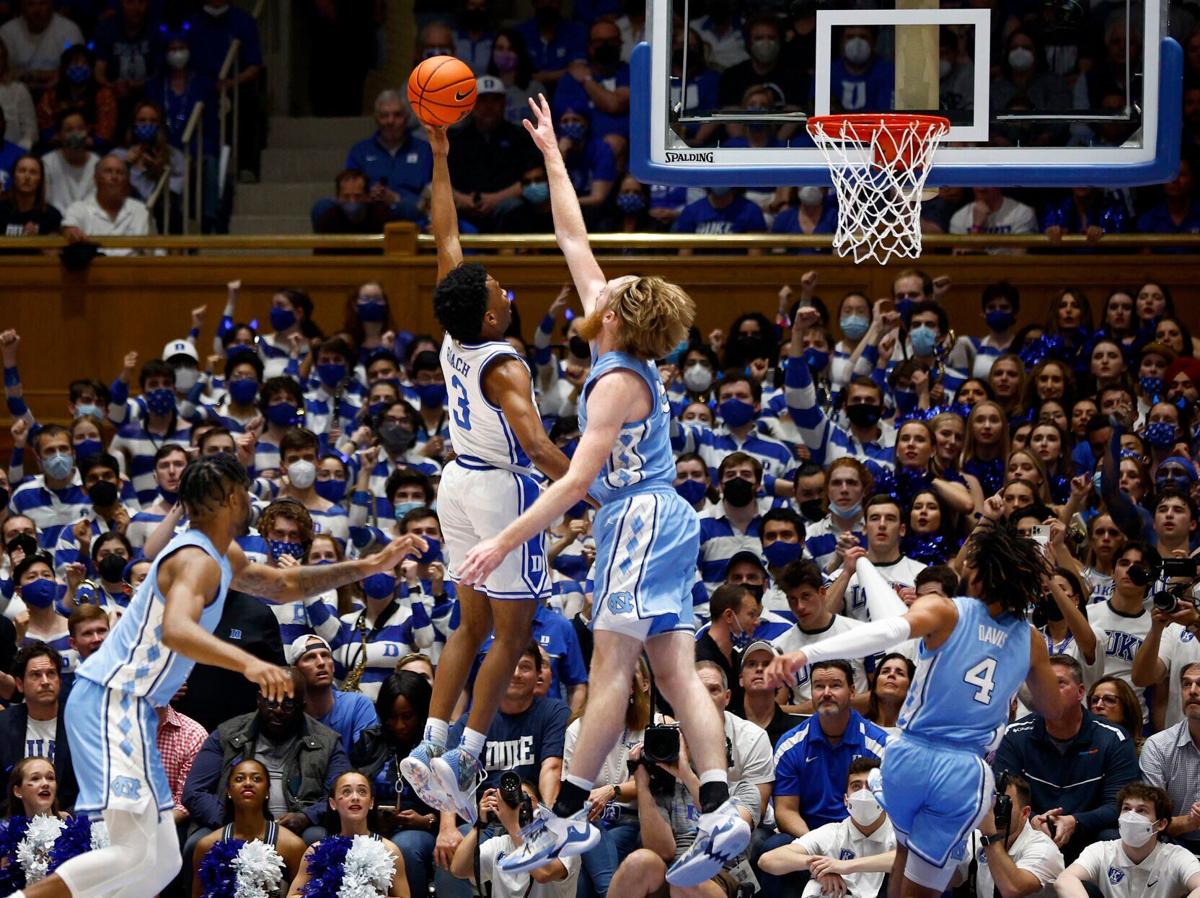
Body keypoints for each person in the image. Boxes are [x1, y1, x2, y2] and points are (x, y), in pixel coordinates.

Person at [455, 94, 750, 887]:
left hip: (641, 516)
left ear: (617, 317)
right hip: (649, 518)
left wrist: (505, 539)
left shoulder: (618, 382)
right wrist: (552, 154)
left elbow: (578, 479)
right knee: (674, 665)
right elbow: (572, 236)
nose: (599, 285)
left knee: (616, 664)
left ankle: (565, 819)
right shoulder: (615, 341)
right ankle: (719, 806)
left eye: (611, 290)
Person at [16, 455, 425, 898]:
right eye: (244, 489)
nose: (250, 497)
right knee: (133, 852)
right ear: (230, 497)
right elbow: (177, 628)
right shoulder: (196, 560)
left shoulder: (216, 550)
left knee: (158, 859)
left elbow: (282, 586)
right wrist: (250, 663)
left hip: (122, 705)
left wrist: (367, 566)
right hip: (109, 703)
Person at [397, 115, 571, 828]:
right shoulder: (504, 365)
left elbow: (444, 235)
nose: (505, 293)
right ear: (489, 312)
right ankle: (468, 756)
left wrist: (439, 156)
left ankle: (431, 742)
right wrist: (588, 483)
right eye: (500, 291)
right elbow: (535, 446)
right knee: (513, 631)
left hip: (454, 485)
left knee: (466, 626)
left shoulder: (452, 326)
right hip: (502, 489)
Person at [767, 515, 1069, 898]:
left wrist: (806, 654)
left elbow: (889, 630)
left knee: (901, 857)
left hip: (906, 759)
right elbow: (1052, 709)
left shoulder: (947, 610)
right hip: (960, 772)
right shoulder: (1029, 641)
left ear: (976, 574)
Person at [993, 655, 1138, 861]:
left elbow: (1121, 805)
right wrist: (1034, 821)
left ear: (1080, 692)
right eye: (1043, 684)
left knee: (1113, 837)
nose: (1049, 691)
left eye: (1059, 683)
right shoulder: (1015, 734)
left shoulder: (1113, 738)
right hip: (1029, 833)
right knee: (995, 829)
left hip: (1090, 838)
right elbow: (1004, 797)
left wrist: (1074, 821)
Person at [759, 758, 896, 898]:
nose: (864, 793)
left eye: (871, 786)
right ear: (846, 799)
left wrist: (846, 866)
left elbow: (907, 860)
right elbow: (767, 860)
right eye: (856, 786)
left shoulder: (899, 833)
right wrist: (821, 867)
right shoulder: (833, 832)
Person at [1053, 783, 1200, 897]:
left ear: (1161, 824)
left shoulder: (1177, 856)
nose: (1131, 816)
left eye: (1141, 810)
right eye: (1126, 809)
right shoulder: (1100, 851)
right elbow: (1065, 879)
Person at [190, 758, 306, 898]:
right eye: (239, 779)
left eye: (256, 779)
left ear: (267, 791)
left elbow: (300, 894)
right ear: (229, 791)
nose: (248, 783)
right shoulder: (207, 845)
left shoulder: (292, 845)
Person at [285, 771, 407, 898]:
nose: (355, 797)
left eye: (362, 792)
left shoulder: (389, 851)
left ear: (371, 803)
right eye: (346, 792)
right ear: (333, 803)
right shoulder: (316, 850)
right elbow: (292, 895)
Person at [449, 779, 580, 898]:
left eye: (525, 798)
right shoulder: (499, 845)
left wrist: (513, 827)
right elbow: (458, 869)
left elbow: (544, 873)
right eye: (513, 803)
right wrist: (479, 826)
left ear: (541, 806)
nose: (520, 806)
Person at [954, 773, 1065, 898]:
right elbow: (948, 879)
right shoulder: (977, 836)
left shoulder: (1044, 849)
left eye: (1002, 804)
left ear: (1025, 813)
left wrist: (990, 835)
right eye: (991, 804)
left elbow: (1013, 889)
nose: (993, 811)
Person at [0, 642, 78, 809]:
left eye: (51, 674)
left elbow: (92, 785)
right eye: (36, 675)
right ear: (20, 684)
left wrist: (71, 818)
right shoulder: (3, 725)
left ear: (60, 680)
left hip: (70, 825)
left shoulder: (79, 724)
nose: (45, 682)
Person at [1138, 660, 1200, 852]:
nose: (1193, 691)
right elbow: (1150, 824)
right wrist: (1191, 821)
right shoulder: (1158, 746)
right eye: (1186, 684)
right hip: (1172, 844)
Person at [289, 634, 377, 756]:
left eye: (325, 656)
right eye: (310, 657)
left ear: (333, 667)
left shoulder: (358, 705)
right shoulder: (287, 713)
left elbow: (369, 758)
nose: (321, 663)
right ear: (295, 671)